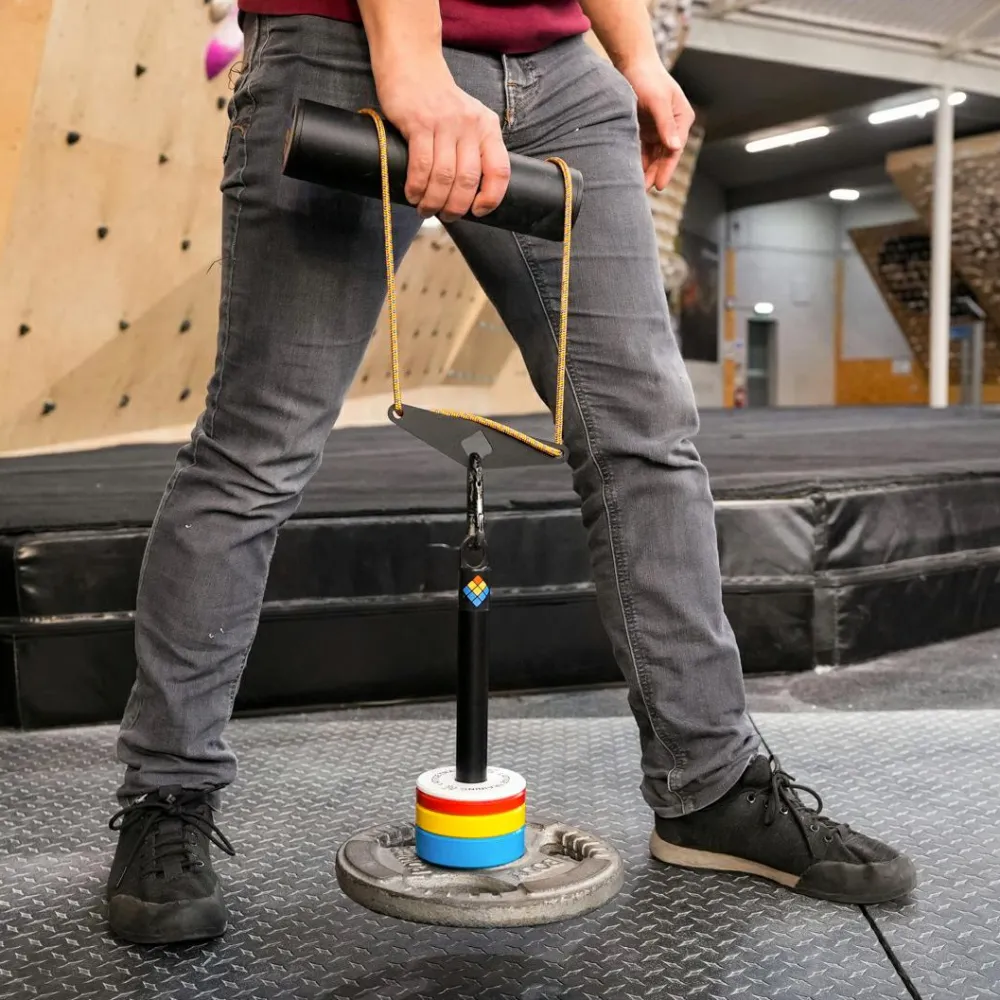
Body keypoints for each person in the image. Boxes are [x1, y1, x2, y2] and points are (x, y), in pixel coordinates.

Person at [106, 0, 917, 945]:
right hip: (343, 40)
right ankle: (167, 792)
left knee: (646, 440)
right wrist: (412, 65)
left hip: (561, 67)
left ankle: (711, 787)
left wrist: (636, 56)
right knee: (257, 446)